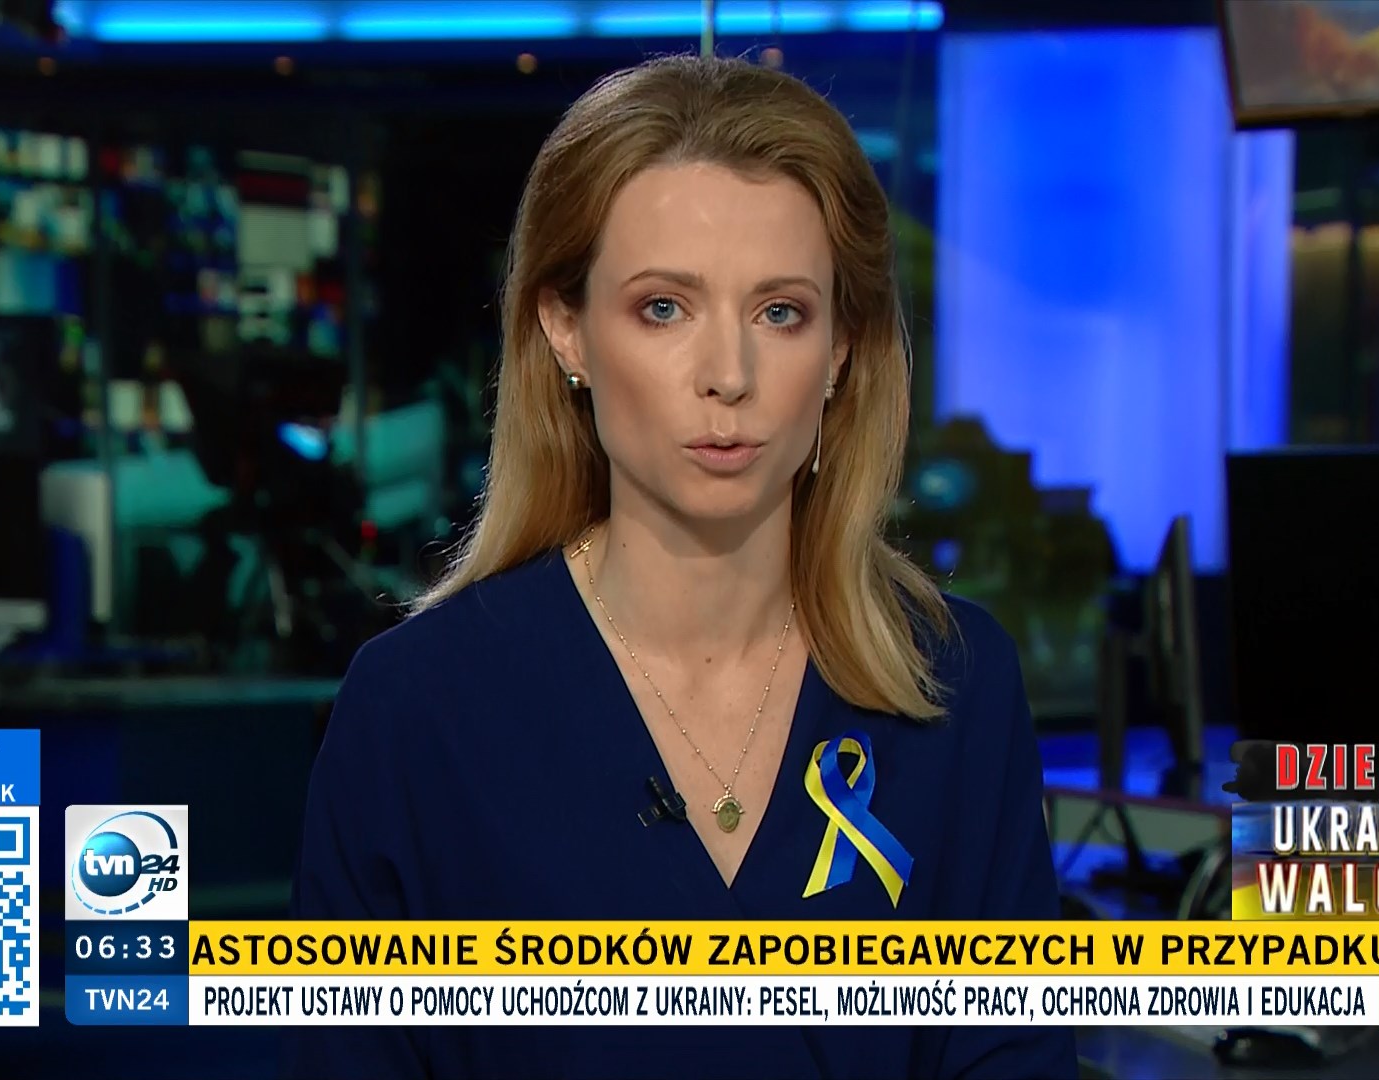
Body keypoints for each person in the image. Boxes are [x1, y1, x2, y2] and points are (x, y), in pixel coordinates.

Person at [287, 54, 1076, 1080]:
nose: (728, 377)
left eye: (780, 312)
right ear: (565, 330)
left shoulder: (955, 687)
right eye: (664, 307)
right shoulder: (414, 712)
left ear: (841, 350)